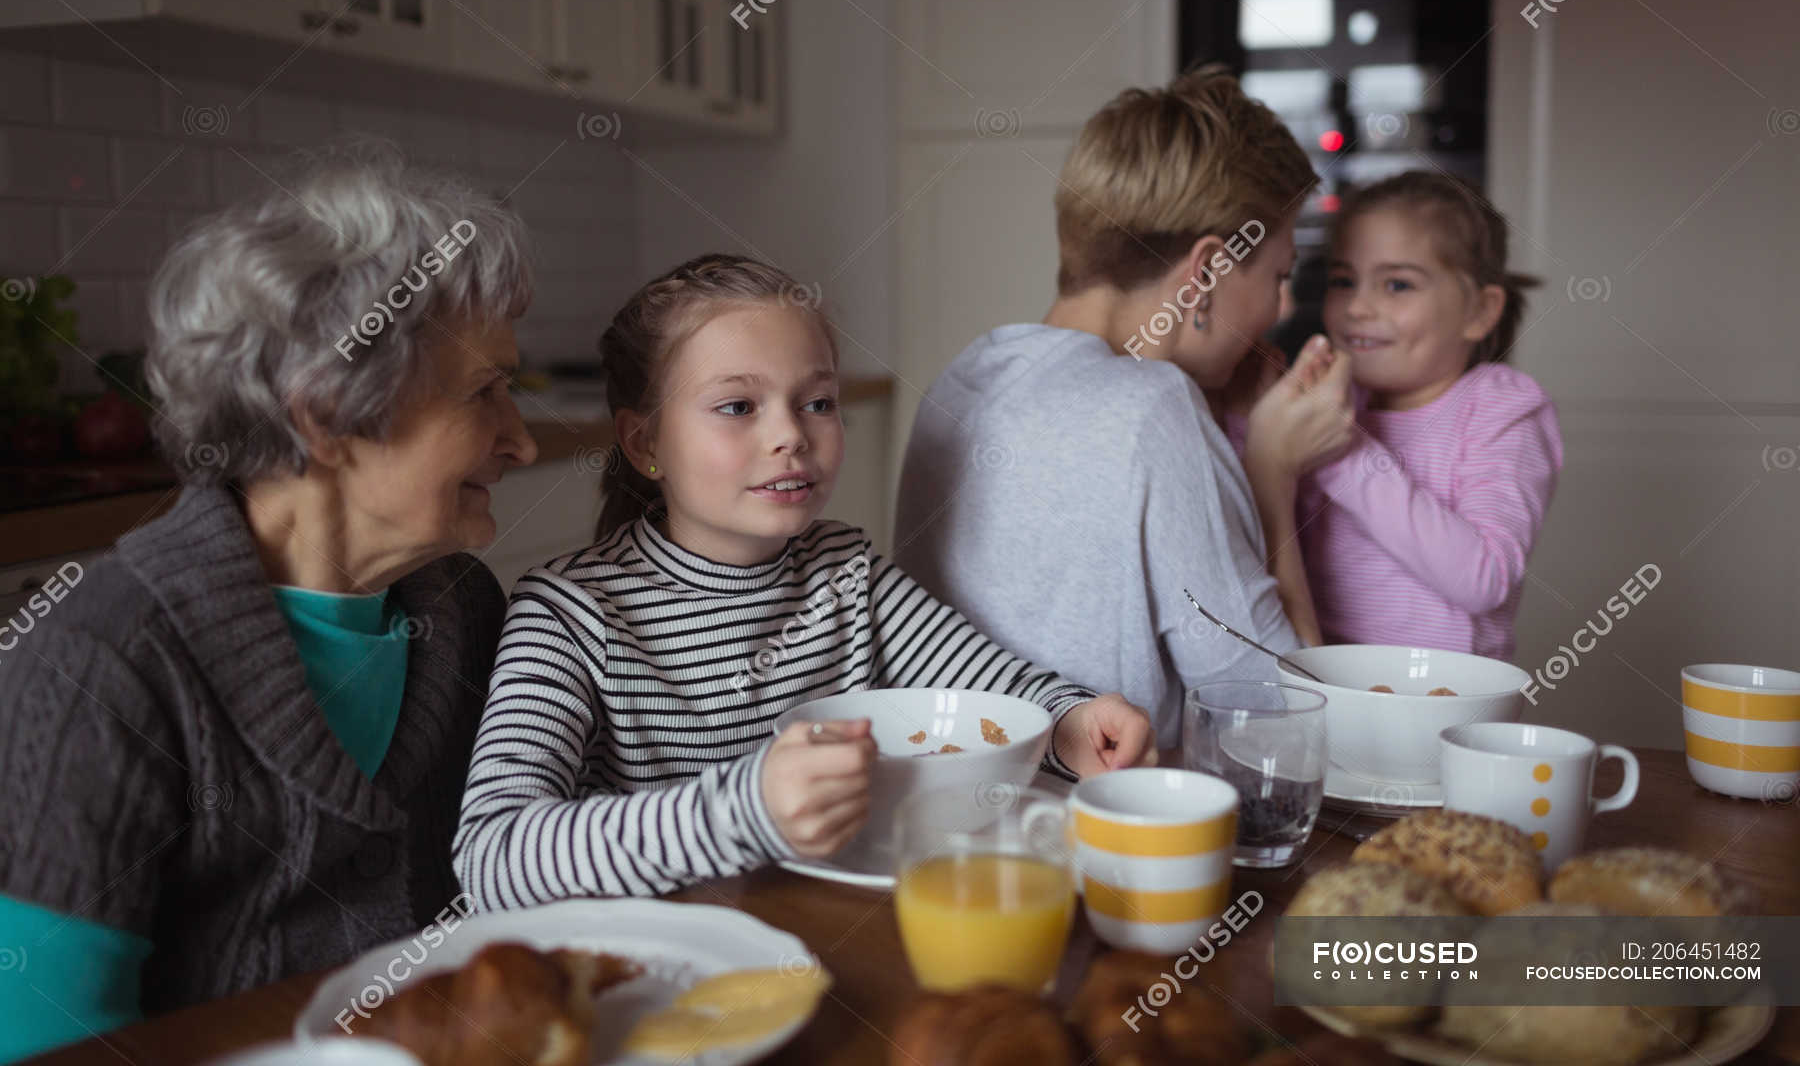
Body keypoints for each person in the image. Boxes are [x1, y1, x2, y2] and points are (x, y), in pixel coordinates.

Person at [0, 146, 539, 1060]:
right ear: (323, 416)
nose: (522, 442)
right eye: (485, 392)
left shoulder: (459, 608)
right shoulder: (97, 661)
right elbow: (54, 1043)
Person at [453, 255, 1152, 905]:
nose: (791, 434)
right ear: (645, 444)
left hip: (832, 944)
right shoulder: (569, 613)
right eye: (738, 407)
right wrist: (748, 811)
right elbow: (493, 855)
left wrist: (1068, 725)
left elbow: (993, 690)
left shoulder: (846, 573)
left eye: (816, 402)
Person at [894, 65, 1355, 748]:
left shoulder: (963, 377)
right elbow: (1286, 720)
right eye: (1278, 276)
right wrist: (1271, 472)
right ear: (1205, 270)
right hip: (1102, 839)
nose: (1282, 308)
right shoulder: (1153, 407)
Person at [1297, 170, 1562, 658]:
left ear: (1479, 312)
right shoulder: (1334, 399)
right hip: (1330, 692)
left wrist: (1343, 451)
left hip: (1445, 709)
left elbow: (1484, 578)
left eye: (1397, 284)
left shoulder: (1502, 409)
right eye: (1343, 280)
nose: (1357, 306)